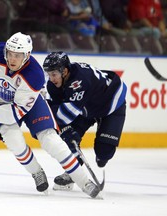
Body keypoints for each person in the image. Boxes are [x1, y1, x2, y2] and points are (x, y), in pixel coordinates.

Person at [0, 32, 101, 198]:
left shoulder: (34, 75)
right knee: (15, 143)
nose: (12, 59)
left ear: (27, 55)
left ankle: (84, 182)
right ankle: (36, 172)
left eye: (17, 56)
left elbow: (15, 112)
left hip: (27, 104)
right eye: (10, 54)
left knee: (50, 140)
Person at [42, 51, 126, 190]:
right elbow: (57, 115)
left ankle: (102, 147)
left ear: (65, 71)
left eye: (54, 74)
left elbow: (64, 116)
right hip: (86, 107)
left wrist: (60, 122)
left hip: (111, 104)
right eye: (49, 74)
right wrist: (64, 130)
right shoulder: (54, 83)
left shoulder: (80, 81)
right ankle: (72, 174)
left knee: (103, 154)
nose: (51, 79)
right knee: (65, 138)